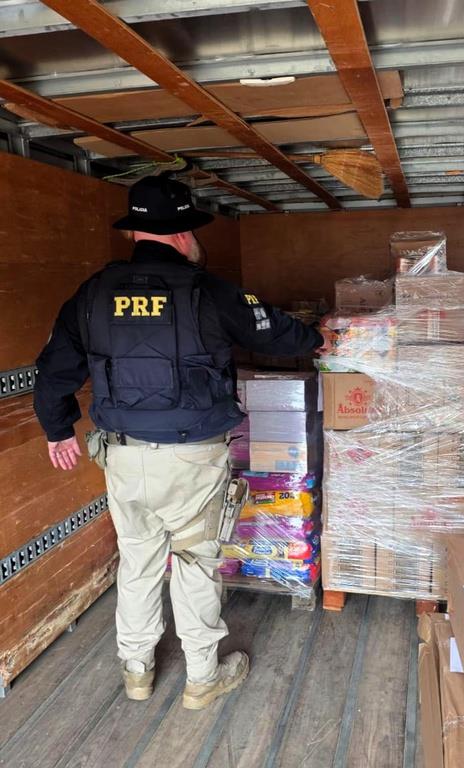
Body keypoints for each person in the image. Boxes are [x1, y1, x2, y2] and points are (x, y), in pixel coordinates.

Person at [33, 174, 323, 710]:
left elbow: (53, 371)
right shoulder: (208, 291)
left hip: (122, 457)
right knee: (195, 563)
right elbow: (276, 333)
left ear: (134, 233)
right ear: (184, 234)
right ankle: (202, 678)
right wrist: (320, 336)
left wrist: (57, 429)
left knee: (138, 563)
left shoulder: (92, 294)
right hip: (193, 460)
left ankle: (137, 672)